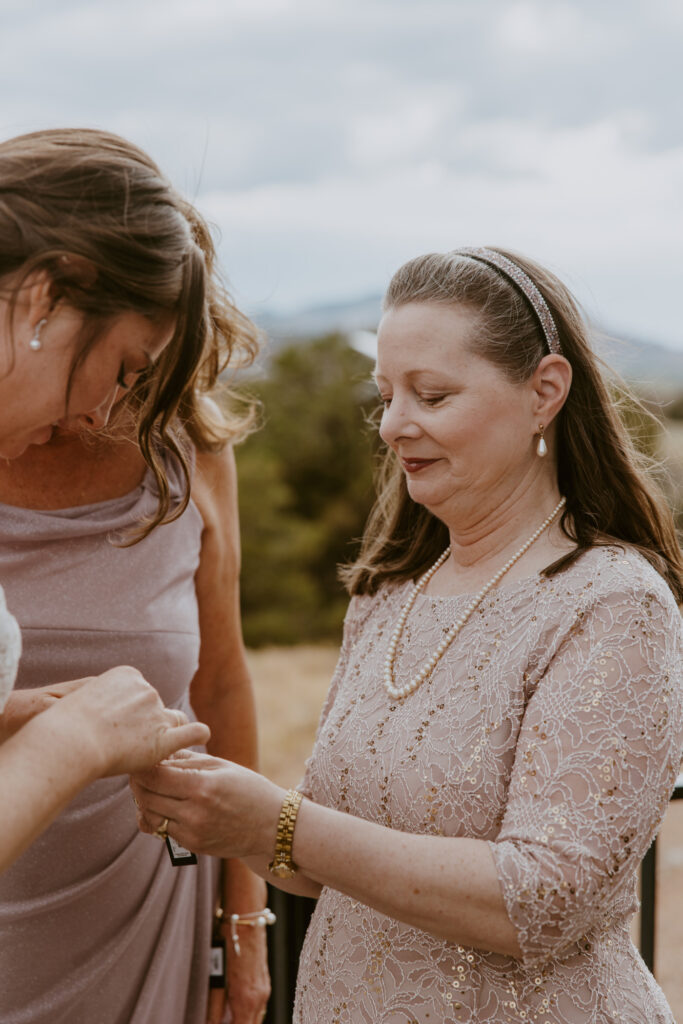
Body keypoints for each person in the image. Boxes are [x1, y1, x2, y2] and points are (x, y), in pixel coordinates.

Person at [133, 246, 683, 1023]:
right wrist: (216, 808)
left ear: (544, 392)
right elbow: (322, 865)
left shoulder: (611, 602)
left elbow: (546, 902)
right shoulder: (389, 594)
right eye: (385, 394)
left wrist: (279, 822)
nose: (394, 426)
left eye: (432, 394)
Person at [0, 128, 268, 1023]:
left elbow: (220, 684)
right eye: (123, 368)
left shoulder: (184, 456)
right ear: (46, 297)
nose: (112, 407)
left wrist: (245, 921)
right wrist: (75, 738)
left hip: (141, 913)